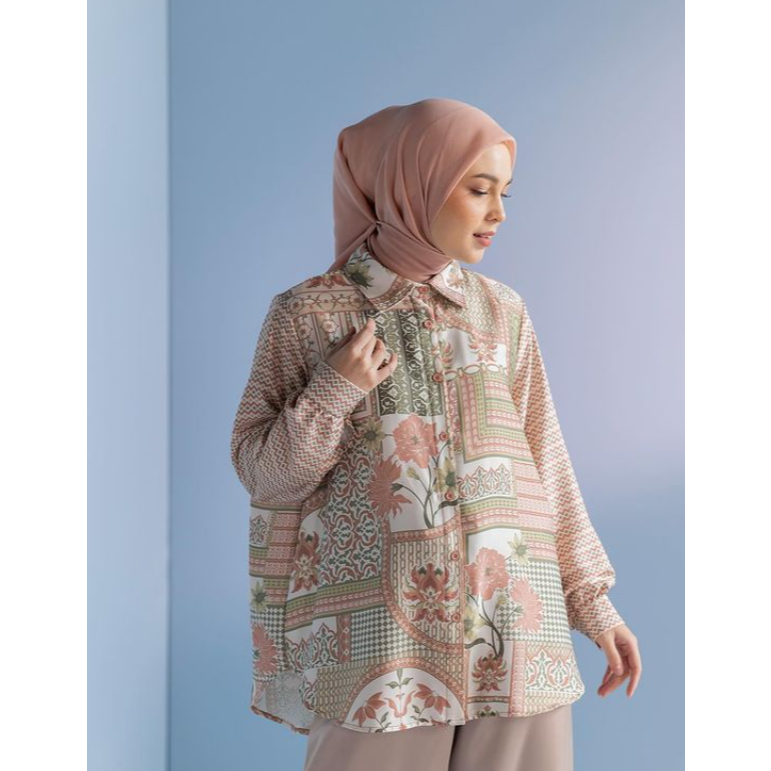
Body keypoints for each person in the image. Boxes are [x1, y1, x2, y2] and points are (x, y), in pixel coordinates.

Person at [230, 98, 642, 771]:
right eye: (478, 189)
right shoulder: (308, 315)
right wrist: (332, 388)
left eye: (504, 192)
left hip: (517, 631)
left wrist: (592, 605)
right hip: (378, 646)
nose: (498, 212)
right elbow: (265, 474)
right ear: (410, 184)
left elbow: (544, 463)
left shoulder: (501, 311)